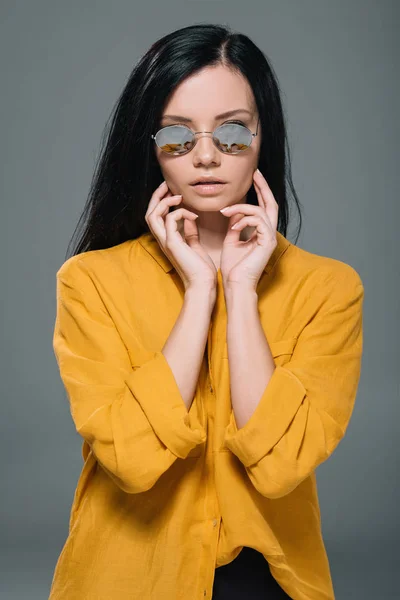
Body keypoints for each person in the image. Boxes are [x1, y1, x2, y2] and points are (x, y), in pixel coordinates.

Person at [48, 23, 364, 600]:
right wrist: (198, 293)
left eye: (233, 132)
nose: (207, 157)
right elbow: (134, 460)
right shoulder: (90, 283)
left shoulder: (328, 289)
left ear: (264, 138)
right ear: (149, 145)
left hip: (269, 580)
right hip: (127, 579)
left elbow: (282, 463)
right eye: (177, 135)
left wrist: (241, 291)